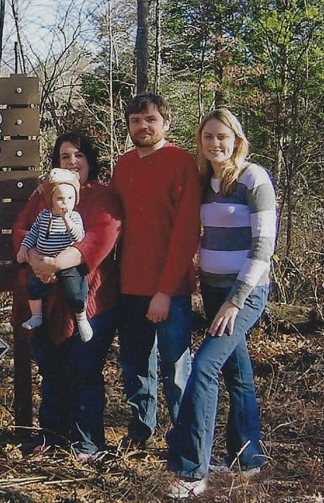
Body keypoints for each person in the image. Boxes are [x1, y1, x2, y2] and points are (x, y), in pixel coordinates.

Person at [166, 109, 276, 498]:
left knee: (205, 366)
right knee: (237, 372)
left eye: (222, 136)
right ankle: (249, 459)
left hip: (244, 292)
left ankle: (194, 470)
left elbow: (263, 247)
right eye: (208, 137)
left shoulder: (253, 177)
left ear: (236, 139)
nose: (215, 143)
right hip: (212, 290)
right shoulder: (204, 180)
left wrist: (235, 301)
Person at [11, 132, 122, 463]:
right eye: (65, 156)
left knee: (83, 371)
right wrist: (33, 259)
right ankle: (52, 440)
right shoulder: (45, 194)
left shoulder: (102, 197)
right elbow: (21, 228)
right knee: (52, 371)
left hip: (90, 301)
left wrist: (54, 264)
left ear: (90, 160)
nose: (72, 162)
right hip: (43, 301)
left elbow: (99, 240)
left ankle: (88, 445)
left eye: (79, 155)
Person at [110, 93, 201, 448]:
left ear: (165, 123)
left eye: (150, 119)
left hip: (171, 289)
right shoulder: (123, 164)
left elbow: (186, 233)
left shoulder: (181, 163)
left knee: (176, 370)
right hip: (129, 285)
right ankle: (140, 433)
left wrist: (164, 290)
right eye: (136, 120)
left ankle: (184, 441)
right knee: (135, 367)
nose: (143, 126)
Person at [16, 168, 93, 341]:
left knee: (74, 291)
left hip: (67, 263)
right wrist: (24, 249)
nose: (65, 202)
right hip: (42, 261)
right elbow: (32, 234)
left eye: (70, 198)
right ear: (50, 200)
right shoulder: (44, 216)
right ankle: (36, 316)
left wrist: (66, 220)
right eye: (59, 198)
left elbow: (79, 237)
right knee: (33, 286)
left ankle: (81, 318)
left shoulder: (75, 217)